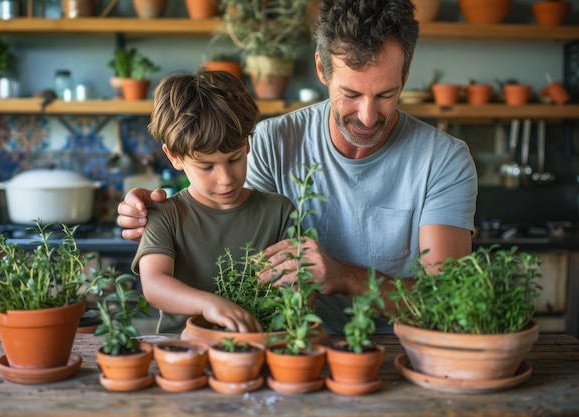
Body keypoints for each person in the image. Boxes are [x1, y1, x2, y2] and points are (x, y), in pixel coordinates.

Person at [118, 0, 478, 334]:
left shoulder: (443, 160)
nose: (368, 117)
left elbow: (450, 302)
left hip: (400, 350)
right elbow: (229, 231)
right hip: (292, 348)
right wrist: (158, 212)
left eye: (385, 94)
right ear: (322, 69)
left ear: (407, 71)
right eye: (351, 94)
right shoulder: (270, 141)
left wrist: (347, 277)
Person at [131, 69, 297, 334]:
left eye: (234, 159)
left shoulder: (280, 211)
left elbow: (298, 292)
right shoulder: (165, 215)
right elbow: (154, 284)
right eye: (206, 166)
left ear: (247, 144)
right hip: (184, 352)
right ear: (174, 157)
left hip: (259, 347)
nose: (226, 179)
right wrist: (210, 304)